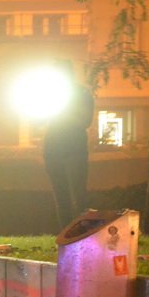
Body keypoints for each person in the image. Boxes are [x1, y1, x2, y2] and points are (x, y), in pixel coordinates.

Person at [43, 60, 94, 230]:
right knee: (61, 197)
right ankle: (65, 233)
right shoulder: (50, 93)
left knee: (77, 197)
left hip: (74, 150)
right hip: (53, 149)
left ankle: (79, 233)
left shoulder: (82, 93)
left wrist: (65, 112)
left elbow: (85, 120)